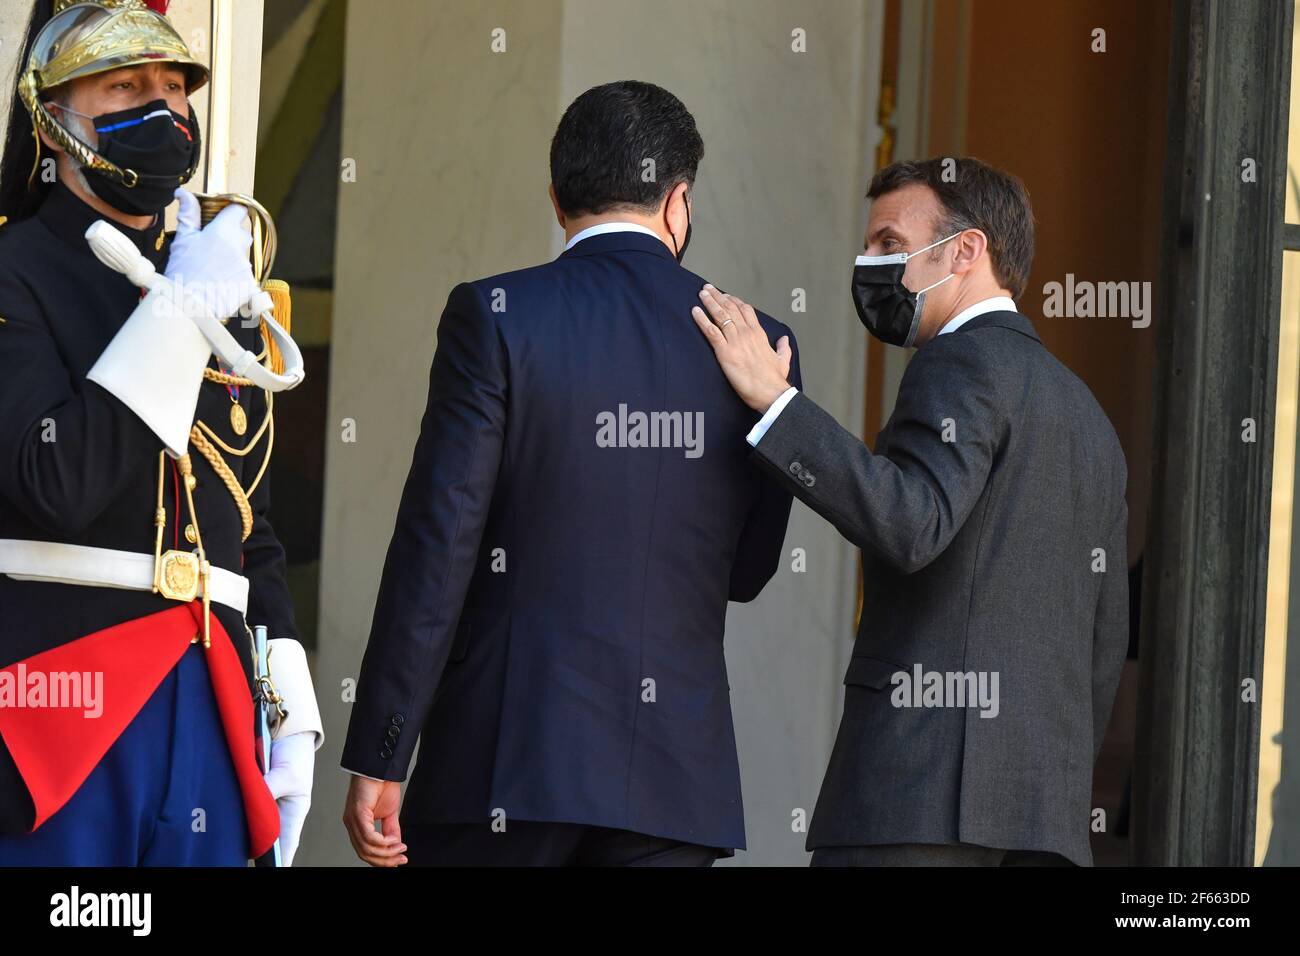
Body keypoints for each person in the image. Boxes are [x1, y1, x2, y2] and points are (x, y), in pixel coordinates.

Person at [341, 80, 799, 867]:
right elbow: (749, 570)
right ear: (678, 201)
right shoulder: (759, 344)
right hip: (674, 786)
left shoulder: (494, 315)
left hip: (506, 762)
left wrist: (385, 749)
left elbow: (438, 548)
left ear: (557, 199)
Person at [691, 156, 1129, 866]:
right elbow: (1107, 639)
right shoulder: (1090, 421)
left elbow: (911, 523)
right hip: (1041, 826)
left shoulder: (960, 362)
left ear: (966, 250)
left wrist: (776, 406)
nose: (871, 264)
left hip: (916, 801)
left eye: (891, 244)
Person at [0, 0, 321, 866]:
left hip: (210, 696)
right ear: (55, 120)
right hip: (56, 702)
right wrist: (178, 317)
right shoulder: (16, 271)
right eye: (126, 86)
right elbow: (53, 481)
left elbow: (245, 516)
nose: (164, 111)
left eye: (175, 89)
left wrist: (286, 694)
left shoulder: (216, 275)